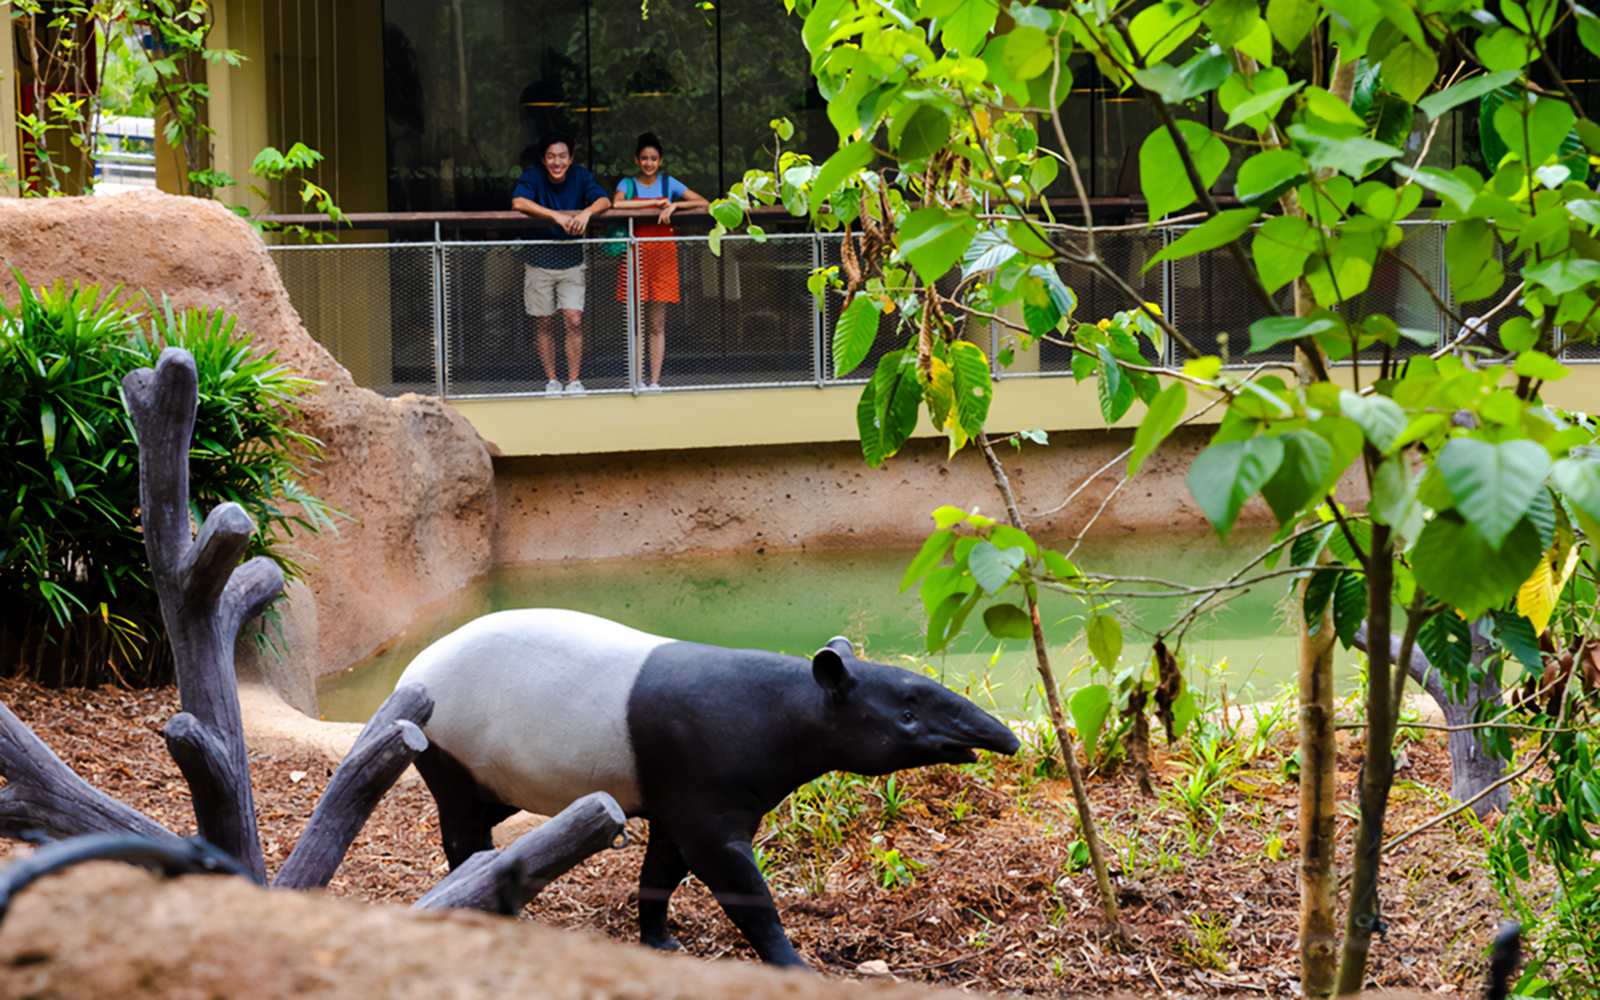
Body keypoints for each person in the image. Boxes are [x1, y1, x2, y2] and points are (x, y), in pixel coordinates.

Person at [512, 131, 611, 396]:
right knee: (544, 321)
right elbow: (518, 201)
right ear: (544, 160)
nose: (557, 162)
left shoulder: (581, 175)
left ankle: (574, 380)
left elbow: (604, 200)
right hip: (538, 260)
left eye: (562, 156)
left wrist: (587, 213)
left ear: (570, 157)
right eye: (552, 157)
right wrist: (555, 216)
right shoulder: (532, 177)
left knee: (573, 318)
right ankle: (553, 380)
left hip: (572, 260)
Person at [610, 132, 708, 392]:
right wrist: (655, 203)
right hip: (636, 254)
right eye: (644, 158)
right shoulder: (628, 184)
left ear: (661, 161)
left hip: (664, 255)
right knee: (636, 322)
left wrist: (674, 206)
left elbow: (704, 202)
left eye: (653, 158)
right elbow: (616, 205)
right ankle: (636, 379)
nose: (648, 163)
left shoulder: (668, 183)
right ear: (637, 160)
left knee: (657, 323)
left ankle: (654, 381)